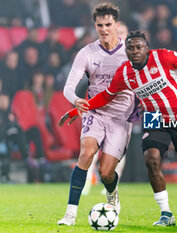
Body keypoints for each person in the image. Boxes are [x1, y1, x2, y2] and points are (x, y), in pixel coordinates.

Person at [59, 30, 177, 226]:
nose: (135, 51)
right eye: (130, 48)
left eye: (139, 47)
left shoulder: (163, 57)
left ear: (147, 48)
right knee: (151, 159)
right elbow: (106, 96)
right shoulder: (124, 73)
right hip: (153, 117)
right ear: (126, 50)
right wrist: (76, 110)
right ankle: (166, 213)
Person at [57, 3, 137, 226]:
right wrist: (76, 101)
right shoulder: (87, 53)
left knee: (106, 171)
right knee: (86, 152)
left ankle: (112, 193)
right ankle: (70, 214)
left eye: (108, 24)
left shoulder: (130, 53)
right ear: (95, 26)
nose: (104, 29)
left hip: (121, 118)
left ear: (117, 25)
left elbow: (144, 81)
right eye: (100, 25)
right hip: (96, 112)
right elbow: (68, 86)